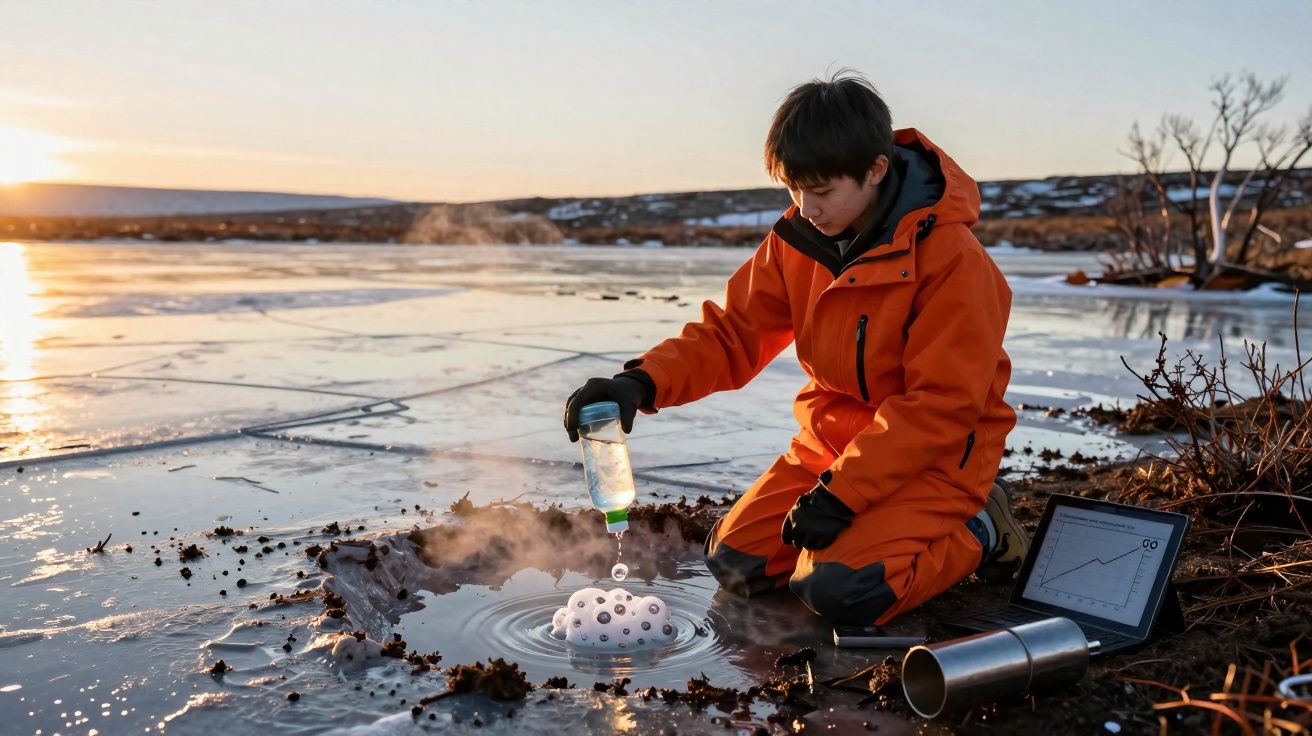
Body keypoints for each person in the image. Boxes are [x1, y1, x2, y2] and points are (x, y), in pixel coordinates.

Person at [563, 70, 1025, 626]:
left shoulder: (953, 262)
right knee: (737, 564)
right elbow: (734, 332)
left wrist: (843, 495)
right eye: (795, 188)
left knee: (839, 589)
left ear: (876, 169)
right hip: (829, 447)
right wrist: (640, 383)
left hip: (936, 459)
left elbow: (941, 408)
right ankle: (861, 528)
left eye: (823, 191)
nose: (806, 206)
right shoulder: (799, 241)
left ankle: (982, 526)